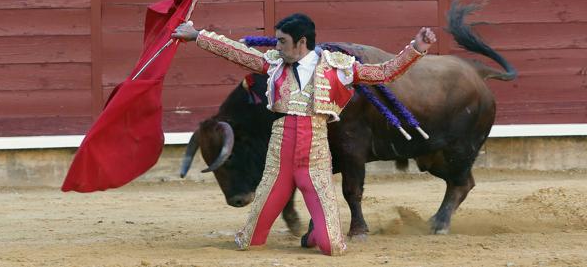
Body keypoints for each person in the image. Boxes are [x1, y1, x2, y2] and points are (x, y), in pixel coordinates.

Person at [172, 14, 436, 255]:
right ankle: (306, 229)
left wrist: (416, 49)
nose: (276, 47)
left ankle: (313, 236)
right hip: (279, 159)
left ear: (301, 42)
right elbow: (236, 53)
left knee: (331, 246)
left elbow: (384, 73)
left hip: (315, 160)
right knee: (249, 241)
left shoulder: (337, 67)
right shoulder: (273, 64)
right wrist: (197, 36)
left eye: (281, 41)